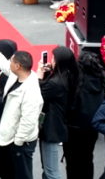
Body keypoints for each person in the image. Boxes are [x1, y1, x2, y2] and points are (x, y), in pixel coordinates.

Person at [0, 35, 42, 179]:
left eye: (12, 61)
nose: (9, 63)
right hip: (9, 137)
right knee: (10, 173)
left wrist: (18, 142)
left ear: (18, 66)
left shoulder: (31, 91)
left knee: (22, 175)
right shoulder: (17, 76)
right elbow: (2, 63)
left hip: (18, 143)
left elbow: (28, 120)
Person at [36, 46, 77, 179]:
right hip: (57, 125)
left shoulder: (56, 83)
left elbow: (38, 96)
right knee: (48, 170)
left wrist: (39, 77)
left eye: (53, 58)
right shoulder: (67, 76)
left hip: (51, 129)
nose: (51, 60)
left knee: (51, 171)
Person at [67, 51, 105, 179]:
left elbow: (71, 105)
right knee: (88, 159)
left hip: (74, 128)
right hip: (92, 128)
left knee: (73, 162)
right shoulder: (101, 79)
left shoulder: (76, 81)